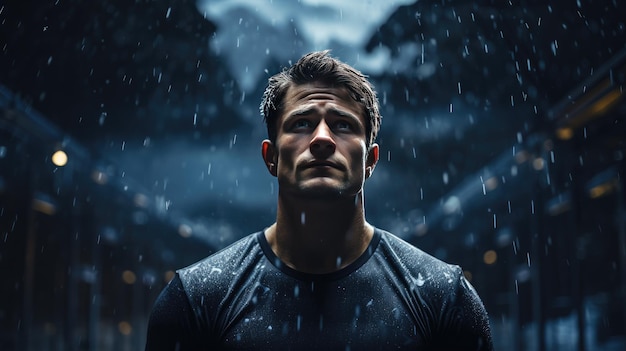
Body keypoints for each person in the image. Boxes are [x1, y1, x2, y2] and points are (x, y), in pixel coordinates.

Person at [145, 50, 493, 350]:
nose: (322, 139)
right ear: (271, 158)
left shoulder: (444, 297)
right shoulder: (196, 299)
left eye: (342, 125)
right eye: (301, 124)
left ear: (370, 160)